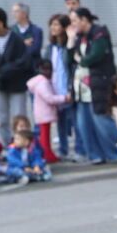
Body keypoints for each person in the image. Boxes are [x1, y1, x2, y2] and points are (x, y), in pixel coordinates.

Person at [69, 8, 117, 165]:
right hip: (81, 86)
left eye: (75, 21)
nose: (72, 25)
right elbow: (69, 59)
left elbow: (94, 57)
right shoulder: (79, 37)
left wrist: (80, 59)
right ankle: (94, 154)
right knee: (84, 123)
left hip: (99, 82)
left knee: (101, 119)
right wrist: (70, 42)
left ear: (84, 20)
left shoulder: (99, 33)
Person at [0, 7, 35, 134]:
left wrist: (6, 69)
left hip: (17, 84)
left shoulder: (16, 38)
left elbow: (24, 61)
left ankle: (22, 143)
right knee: (2, 119)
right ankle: (6, 145)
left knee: (19, 117)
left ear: (1, 21)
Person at [43, 13, 77, 160]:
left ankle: (79, 149)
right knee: (61, 122)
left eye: (57, 25)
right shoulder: (51, 48)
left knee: (75, 120)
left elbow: (71, 67)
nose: (53, 28)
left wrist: (70, 89)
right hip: (55, 88)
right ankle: (63, 149)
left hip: (67, 87)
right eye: (52, 25)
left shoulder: (68, 46)